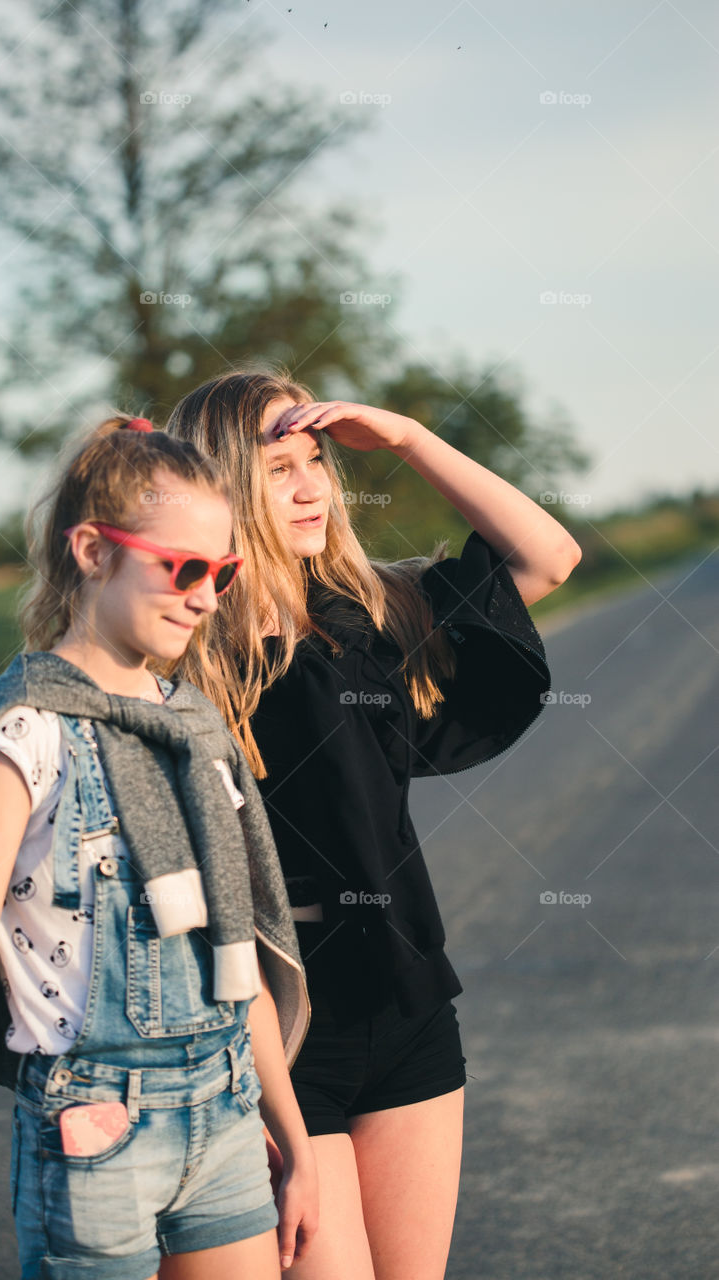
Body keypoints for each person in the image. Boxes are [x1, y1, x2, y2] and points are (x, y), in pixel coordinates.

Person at [0, 415, 318, 1280]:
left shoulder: (193, 727)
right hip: (91, 1136)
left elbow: (237, 956)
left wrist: (293, 1143)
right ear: (91, 550)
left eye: (221, 572)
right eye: (183, 567)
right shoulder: (25, 733)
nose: (205, 595)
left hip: (227, 1117)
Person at [165, 371, 582, 1280]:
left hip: (405, 1009)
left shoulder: (375, 613)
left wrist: (405, 440)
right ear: (219, 488)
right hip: (268, 1026)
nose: (313, 486)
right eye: (278, 470)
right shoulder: (182, 648)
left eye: (317, 462)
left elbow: (546, 557)